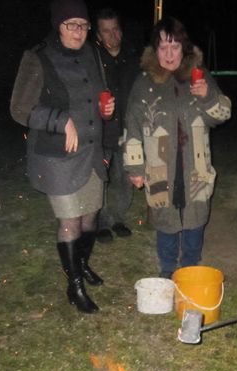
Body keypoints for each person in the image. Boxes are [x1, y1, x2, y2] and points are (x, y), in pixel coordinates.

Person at [10, 0, 114, 314]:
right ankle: (75, 286)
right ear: (58, 26)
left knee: (91, 215)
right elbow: (20, 108)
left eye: (83, 25)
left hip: (91, 151)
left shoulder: (92, 52)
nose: (78, 31)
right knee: (70, 221)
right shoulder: (38, 56)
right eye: (71, 25)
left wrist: (106, 109)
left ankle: (81, 264)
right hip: (57, 157)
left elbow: (97, 94)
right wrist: (60, 120)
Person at [123, 17, 231, 279]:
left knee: (195, 217)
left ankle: (190, 268)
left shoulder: (199, 76)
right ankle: (168, 270)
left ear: (184, 48)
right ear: (155, 49)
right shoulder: (144, 83)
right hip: (161, 164)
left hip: (195, 163)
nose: (169, 54)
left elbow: (223, 115)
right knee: (165, 216)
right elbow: (132, 125)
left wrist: (207, 96)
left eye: (175, 47)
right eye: (163, 47)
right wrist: (135, 166)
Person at [92, 8, 140, 243]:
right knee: (100, 179)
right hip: (102, 132)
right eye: (106, 31)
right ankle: (101, 222)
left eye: (115, 29)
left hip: (128, 130)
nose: (112, 35)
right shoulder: (92, 60)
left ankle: (118, 218)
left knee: (124, 178)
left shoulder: (134, 57)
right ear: (98, 35)